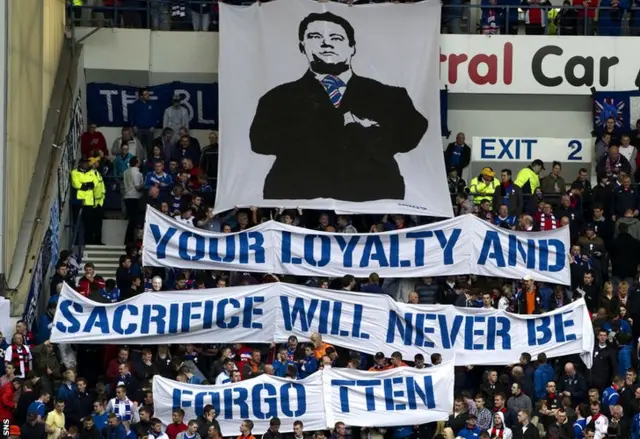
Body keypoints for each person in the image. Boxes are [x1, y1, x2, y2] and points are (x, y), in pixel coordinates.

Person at [250, 11, 428, 202]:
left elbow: (411, 135)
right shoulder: (277, 98)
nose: (326, 43)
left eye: (336, 38)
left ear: (352, 47)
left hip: (372, 194)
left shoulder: (389, 95)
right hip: (299, 194)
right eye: (315, 37)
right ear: (302, 46)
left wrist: (365, 131)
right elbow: (260, 142)